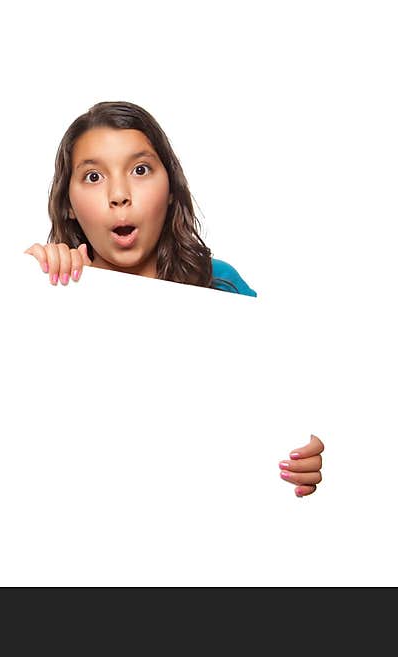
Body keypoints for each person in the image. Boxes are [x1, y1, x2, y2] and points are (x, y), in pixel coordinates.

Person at [25, 101, 324, 497]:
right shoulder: (43, 289)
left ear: (170, 191)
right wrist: (28, 284)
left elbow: (259, 417)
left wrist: (300, 455)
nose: (119, 194)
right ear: (68, 203)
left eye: (140, 170)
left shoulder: (222, 287)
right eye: (94, 176)